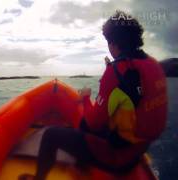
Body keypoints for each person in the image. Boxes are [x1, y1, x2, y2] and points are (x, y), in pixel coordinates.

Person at [19, 11, 168, 180]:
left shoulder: (116, 71)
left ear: (113, 43)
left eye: (108, 43)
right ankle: (82, 164)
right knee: (87, 125)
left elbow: (93, 123)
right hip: (138, 150)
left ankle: (38, 178)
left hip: (119, 158)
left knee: (51, 135)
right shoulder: (153, 64)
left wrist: (85, 98)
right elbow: (133, 99)